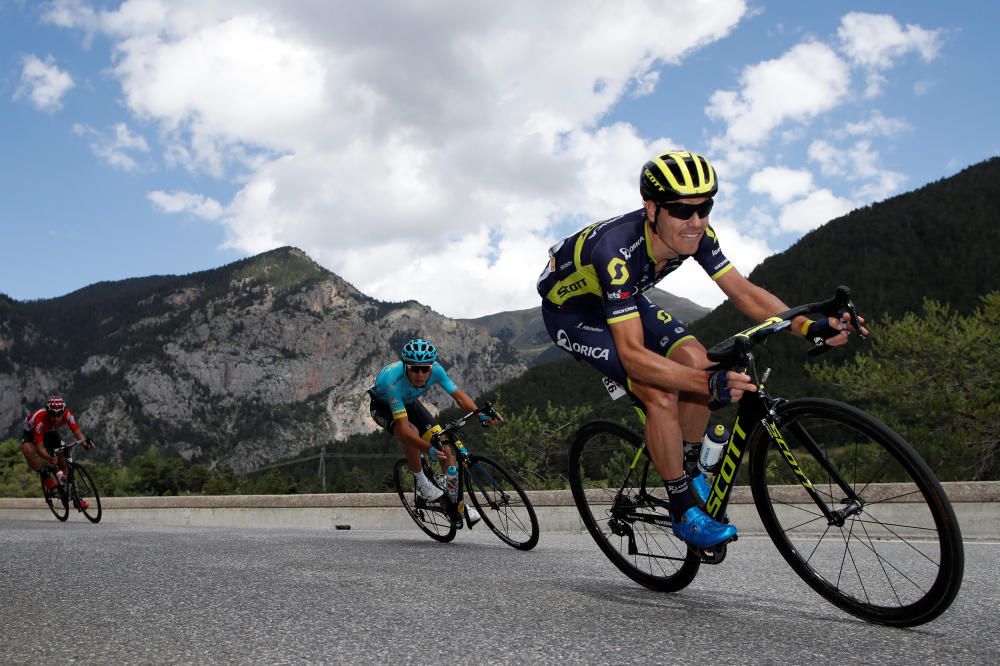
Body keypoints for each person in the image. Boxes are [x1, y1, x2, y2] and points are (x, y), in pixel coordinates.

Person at [536, 150, 863, 549]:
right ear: (652, 208)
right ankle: (683, 509)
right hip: (572, 314)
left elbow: (744, 292)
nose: (695, 222)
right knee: (658, 390)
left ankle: (688, 464)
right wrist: (706, 385)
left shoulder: (698, 236)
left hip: (623, 298)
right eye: (682, 210)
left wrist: (807, 325)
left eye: (705, 207)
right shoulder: (616, 251)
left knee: (699, 360)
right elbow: (635, 357)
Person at [368, 339, 499, 526]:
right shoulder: (392, 380)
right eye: (414, 369)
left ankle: (457, 504)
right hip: (384, 407)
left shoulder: (437, 370)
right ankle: (422, 482)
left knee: (443, 442)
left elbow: (460, 397)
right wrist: (426, 448)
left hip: (411, 403)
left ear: (431, 367)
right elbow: (404, 429)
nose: (420, 374)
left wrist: (480, 414)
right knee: (410, 433)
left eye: (425, 369)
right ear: (406, 366)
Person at [22, 395, 96, 503]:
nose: (56, 419)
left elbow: (77, 432)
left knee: (62, 452)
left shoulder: (67, 415)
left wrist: (85, 444)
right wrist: (49, 457)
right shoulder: (40, 420)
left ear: (63, 412)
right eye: (53, 415)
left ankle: (73, 493)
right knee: (28, 450)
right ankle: (45, 475)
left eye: (59, 415)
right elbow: (39, 448)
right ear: (48, 412)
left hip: (50, 432)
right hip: (32, 432)